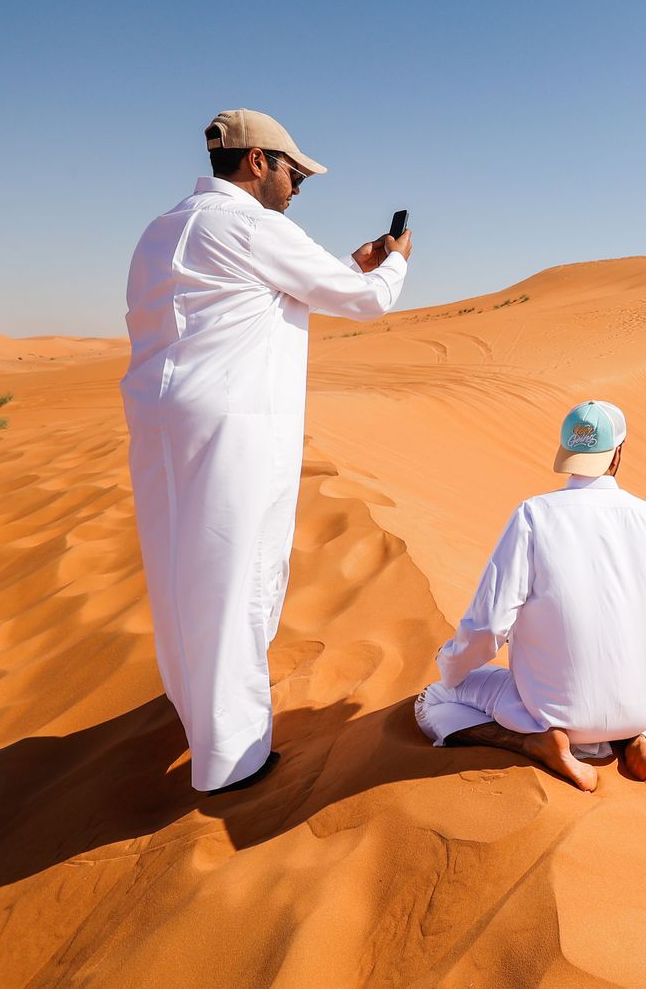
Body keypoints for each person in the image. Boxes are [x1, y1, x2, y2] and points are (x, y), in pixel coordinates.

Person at [121, 109, 411, 794]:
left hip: (161, 419)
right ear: (257, 162)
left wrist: (348, 264)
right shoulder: (254, 226)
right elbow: (361, 302)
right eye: (294, 171)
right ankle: (232, 758)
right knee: (236, 571)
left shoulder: (163, 227)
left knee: (176, 564)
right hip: (232, 423)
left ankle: (196, 704)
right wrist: (391, 266)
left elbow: (251, 294)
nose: (298, 185)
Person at [415, 400, 646, 792]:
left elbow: (490, 623)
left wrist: (452, 670)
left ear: (568, 453)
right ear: (619, 453)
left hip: (557, 708)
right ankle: (630, 738)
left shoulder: (534, 515)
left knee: (431, 701)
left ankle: (533, 743)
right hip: (642, 707)